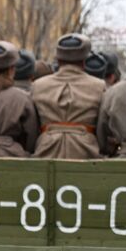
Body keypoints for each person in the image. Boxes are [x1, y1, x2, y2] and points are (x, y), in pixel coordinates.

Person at [30, 32, 106, 160]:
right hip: (86, 152)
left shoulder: (38, 85)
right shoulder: (98, 86)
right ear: (84, 61)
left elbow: (33, 126)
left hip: (45, 150)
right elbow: (102, 127)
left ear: (58, 60)